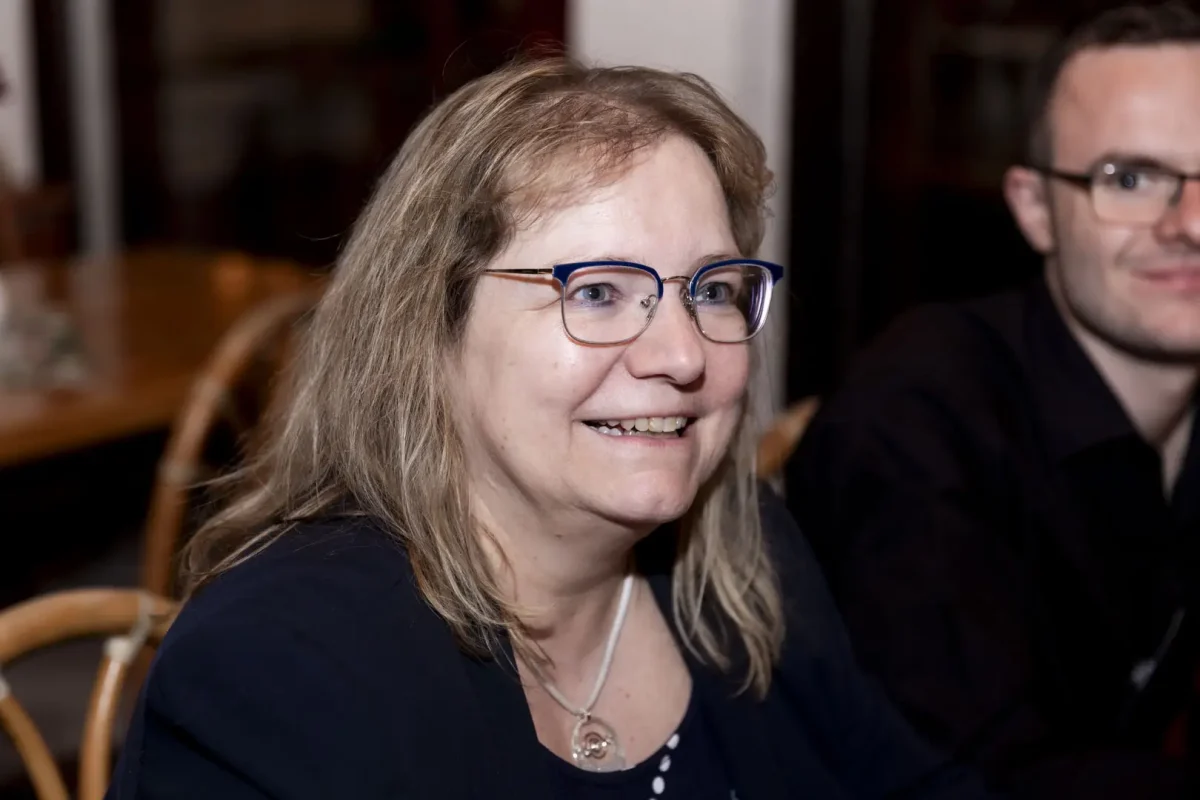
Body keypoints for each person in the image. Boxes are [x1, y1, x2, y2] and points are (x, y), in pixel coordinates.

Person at [105, 58, 993, 799]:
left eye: (713, 290)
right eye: (599, 292)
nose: (683, 353)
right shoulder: (273, 668)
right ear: (429, 330)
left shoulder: (742, 559)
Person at [787, 3, 1200, 798]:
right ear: (1035, 209)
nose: (1190, 223)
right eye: (1131, 179)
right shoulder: (916, 421)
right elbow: (975, 779)